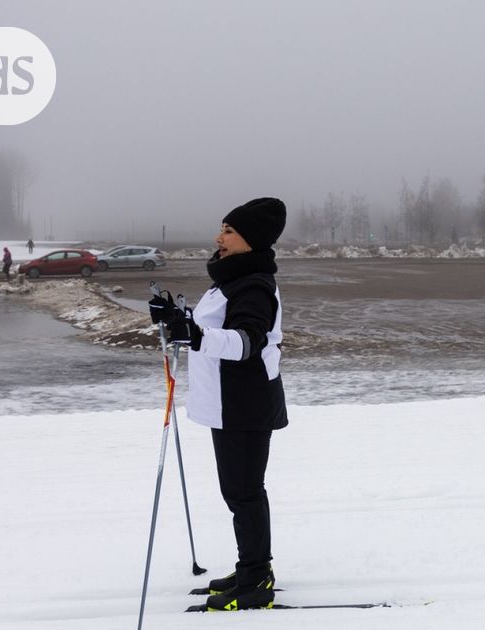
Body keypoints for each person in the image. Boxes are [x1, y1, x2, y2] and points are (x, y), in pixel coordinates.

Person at [159, 197, 288, 611]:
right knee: (238, 491)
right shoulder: (233, 279)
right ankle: (250, 567)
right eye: (223, 229)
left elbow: (246, 342)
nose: (219, 237)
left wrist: (194, 335)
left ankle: (256, 579)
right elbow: (214, 326)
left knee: (245, 492)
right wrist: (177, 319)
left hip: (245, 405)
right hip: (227, 403)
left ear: (250, 240)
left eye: (229, 231)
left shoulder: (255, 285)